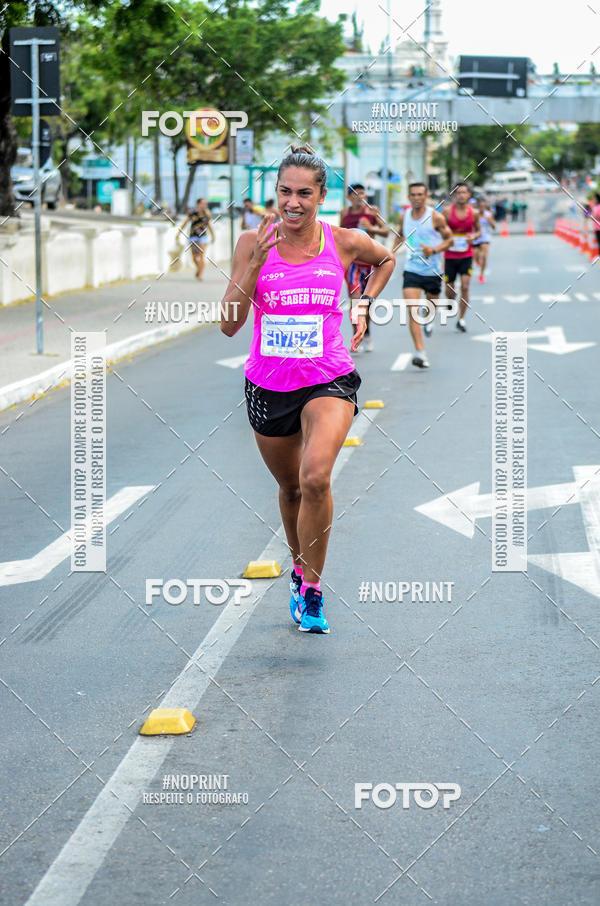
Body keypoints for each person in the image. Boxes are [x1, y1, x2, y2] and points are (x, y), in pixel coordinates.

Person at [221, 146, 395, 634]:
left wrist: (363, 302)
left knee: (316, 477)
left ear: (321, 196)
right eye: (284, 192)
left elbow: (385, 259)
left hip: (328, 376)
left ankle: (314, 590)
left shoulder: (344, 240)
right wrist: (254, 264)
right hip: (269, 383)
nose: (292, 202)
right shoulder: (251, 242)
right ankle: (298, 571)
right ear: (275, 192)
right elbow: (229, 324)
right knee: (292, 487)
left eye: (303, 193)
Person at [392, 182, 453, 369]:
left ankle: (429, 320)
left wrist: (434, 250)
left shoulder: (436, 217)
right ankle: (420, 352)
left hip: (433, 271)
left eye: (420, 194)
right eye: (413, 194)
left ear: (426, 197)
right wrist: (389, 254)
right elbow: (399, 235)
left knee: (430, 308)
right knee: (413, 311)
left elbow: (449, 240)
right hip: (412, 269)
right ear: (409, 197)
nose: (416, 198)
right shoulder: (404, 216)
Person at [339, 182, 389, 352]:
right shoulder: (344, 213)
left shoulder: (372, 212)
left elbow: (386, 231)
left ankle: (366, 334)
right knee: (355, 301)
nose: (358, 197)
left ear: (365, 195)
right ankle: (356, 336)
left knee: (366, 303)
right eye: (354, 194)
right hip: (352, 264)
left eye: (361, 193)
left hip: (370, 263)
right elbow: (339, 234)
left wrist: (371, 228)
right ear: (348, 197)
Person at [442, 183, 481, 332]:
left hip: (466, 255)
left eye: (464, 192)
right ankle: (450, 300)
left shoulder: (474, 213)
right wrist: (447, 236)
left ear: (469, 195)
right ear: (454, 195)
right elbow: (439, 230)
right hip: (450, 255)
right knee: (450, 290)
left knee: (465, 287)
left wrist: (474, 237)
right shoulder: (447, 212)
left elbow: (479, 231)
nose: (461, 195)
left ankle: (461, 319)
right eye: (458, 193)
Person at [180, 198, 214, 280]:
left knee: (201, 255)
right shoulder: (192, 213)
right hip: (193, 236)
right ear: (198, 204)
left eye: (205, 204)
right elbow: (185, 223)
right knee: (194, 257)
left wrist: (213, 235)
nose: (204, 205)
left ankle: (200, 274)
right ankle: (198, 268)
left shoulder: (206, 214)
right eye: (203, 203)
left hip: (203, 236)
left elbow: (209, 225)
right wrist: (179, 233)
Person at [472, 198, 496, 283]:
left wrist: (490, 221)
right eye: (480, 206)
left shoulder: (488, 215)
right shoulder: (474, 214)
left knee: (484, 256)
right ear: (478, 206)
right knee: (476, 255)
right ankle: (478, 261)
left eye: (483, 206)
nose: (482, 208)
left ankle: (481, 275)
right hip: (476, 237)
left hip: (485, 237)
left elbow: (494, 227)